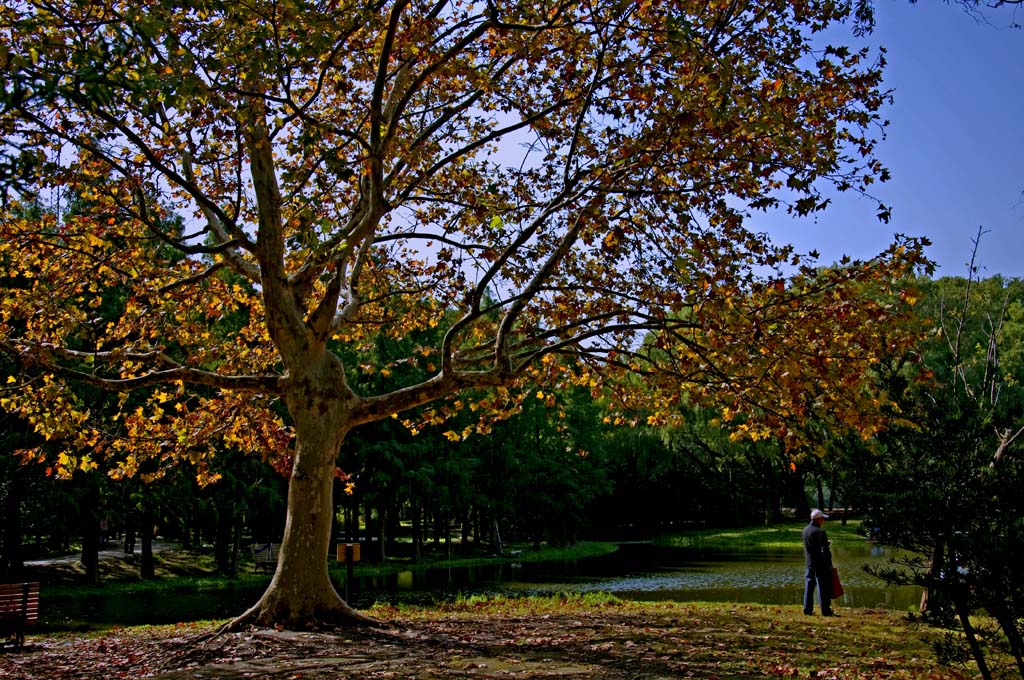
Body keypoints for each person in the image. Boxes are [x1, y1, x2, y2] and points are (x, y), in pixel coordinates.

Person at [803, 508, 836, 616]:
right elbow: (825, 550)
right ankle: (825, 610)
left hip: (809, 562)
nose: (824, 521)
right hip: (821, 564)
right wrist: (829, 562)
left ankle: (807, 609)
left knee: (809, 586)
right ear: (819, 519)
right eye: (823, 519)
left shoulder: (805, 530)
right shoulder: (821, 531)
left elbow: (812, 546)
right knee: (823, 588)